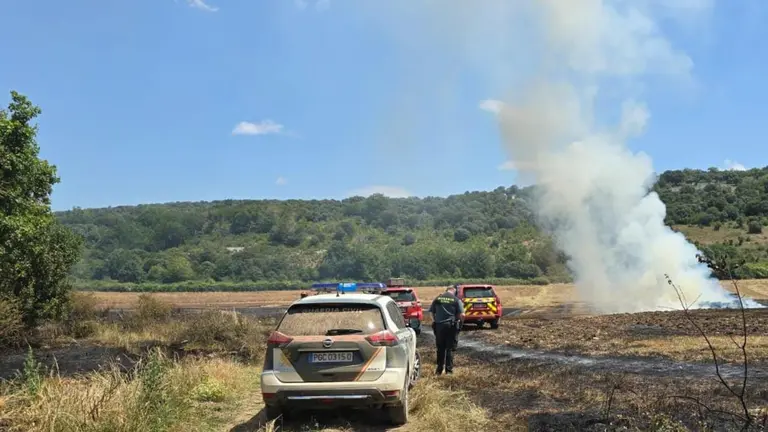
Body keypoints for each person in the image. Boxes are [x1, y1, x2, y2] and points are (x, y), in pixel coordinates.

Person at [428, 285, 464, 375]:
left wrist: (434, 321)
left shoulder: (438, 299)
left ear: (446, 290)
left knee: (440, 348)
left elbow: (431, 312)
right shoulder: (456, 300)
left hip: (439, 326)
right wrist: (460, 325)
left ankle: (439, 370)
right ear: (454, 291)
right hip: (451, 326)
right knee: (450, 349)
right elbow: (463, 315)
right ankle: (449, 371)